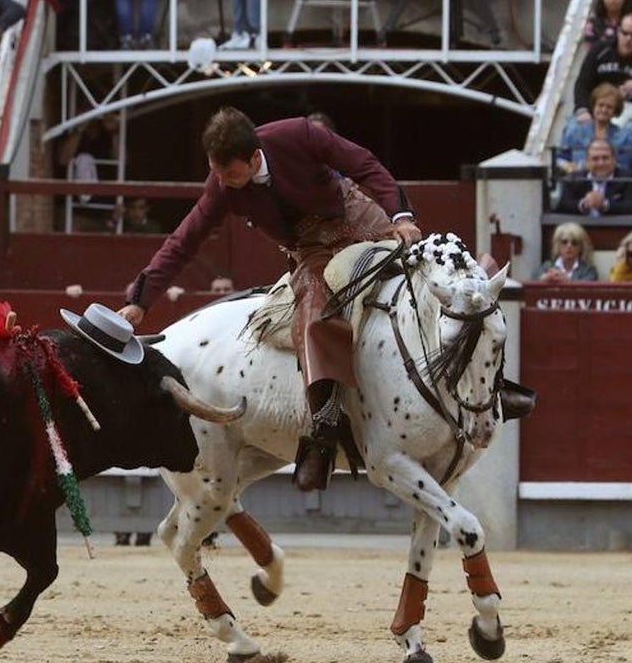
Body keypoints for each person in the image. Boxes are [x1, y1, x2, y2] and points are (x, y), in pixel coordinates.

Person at [119, 107, 421, 492]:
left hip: (359, 219)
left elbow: (364, 164)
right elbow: (184, 240)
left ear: (254, 157)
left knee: (427, 274)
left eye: (229, 173)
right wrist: (141, 301)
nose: (222, 182)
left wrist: (400, 216)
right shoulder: (223, 186)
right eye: (216, 172)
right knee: (314, 317)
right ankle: (325, 430)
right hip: (312, 249)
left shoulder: (299, 135)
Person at [573, 12, 632, 126]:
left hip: (628, 109)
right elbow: (583, 83)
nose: (628, 39)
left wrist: (631, 93)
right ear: (618, 31)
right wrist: (583, 109)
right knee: (574, 128)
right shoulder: (600, 50)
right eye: (625, 33)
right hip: (595, 107)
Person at [557, 82, 632, 175]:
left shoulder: (623, 136)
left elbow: (624, 166)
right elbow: (560, 158)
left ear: (615, 111)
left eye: (609, 107)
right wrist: (567, 166)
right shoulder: (574, 130)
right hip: (578, 180)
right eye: (600, 105)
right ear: (594, 106)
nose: (604, 110)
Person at [556, 138, 632, 215]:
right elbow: (563, 205)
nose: (601, 163)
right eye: (595, 159)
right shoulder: (573, 178)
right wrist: (584, 204)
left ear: (614, 160)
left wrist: (604, 204)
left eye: (605, 158)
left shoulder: (628, 178)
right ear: (587, 162)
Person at [535, 222, 599, 282]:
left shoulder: (588, 270)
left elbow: (585, 289)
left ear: (581, 247)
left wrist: (566, 280)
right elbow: (533, 284)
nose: (569, 246)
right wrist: (545, 278)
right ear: (557, 245)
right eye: (564, 242)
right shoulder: (546, 267)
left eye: (574, 243)